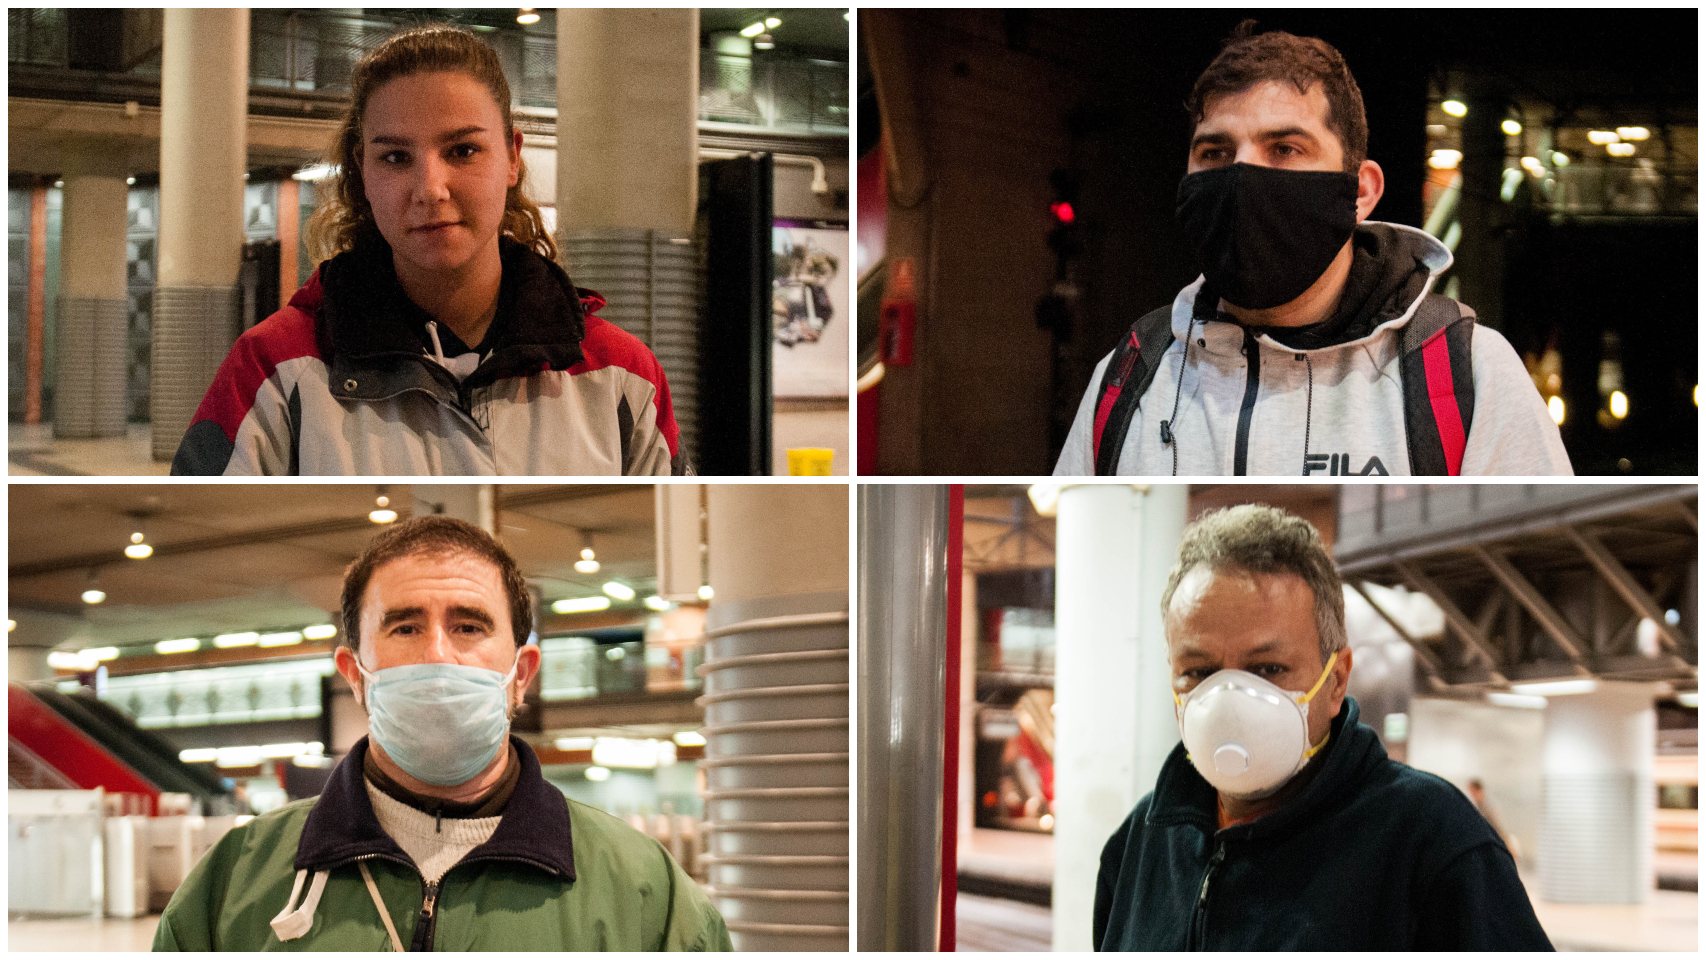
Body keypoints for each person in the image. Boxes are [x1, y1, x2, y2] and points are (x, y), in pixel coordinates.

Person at [154, 516, 730, 951]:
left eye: (469, 625)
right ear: (356, 676)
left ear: (519, 676)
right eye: (405, 626)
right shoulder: (233, 885)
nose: (438, 655)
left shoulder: (645, 894)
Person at [1055, 22, 1571, 477]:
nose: (1242, 175)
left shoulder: (1467, 375)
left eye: (1285, 149)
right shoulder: (1130, 374)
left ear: (1361, 190)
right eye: (1215, 152)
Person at [171, 25, 686, 476]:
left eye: (462, 150)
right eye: (396, 157)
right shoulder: (275, 368)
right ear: (363, 172)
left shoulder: (621, 374)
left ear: (512, 157)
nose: (430, 188)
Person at [1093, 505, 1552, 950]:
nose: (1227, 701)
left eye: (1268, 668)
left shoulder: (1433, 842)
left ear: (1335, 681)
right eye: (1197, 671)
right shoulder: (1142, 841)